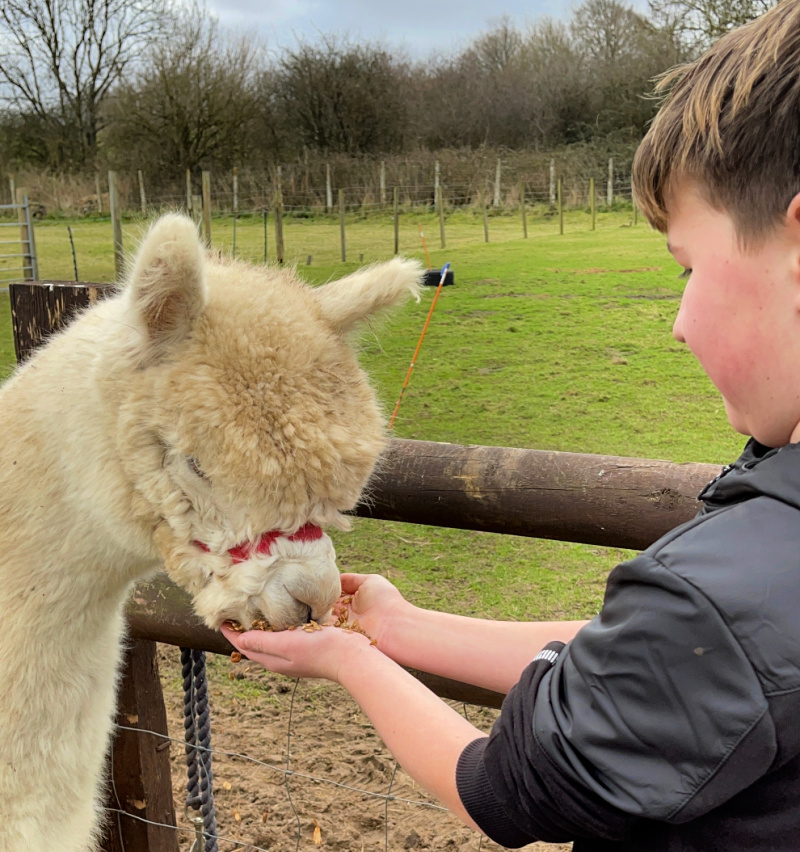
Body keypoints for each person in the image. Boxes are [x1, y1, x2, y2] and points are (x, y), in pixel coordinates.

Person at [223, 2, 800, 847]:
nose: (677, 321)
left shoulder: (727, 593)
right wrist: (401, 625)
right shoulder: (745, 589)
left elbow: (498, 788)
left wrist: (351, 658)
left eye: (688, 268)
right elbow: (660, 670)